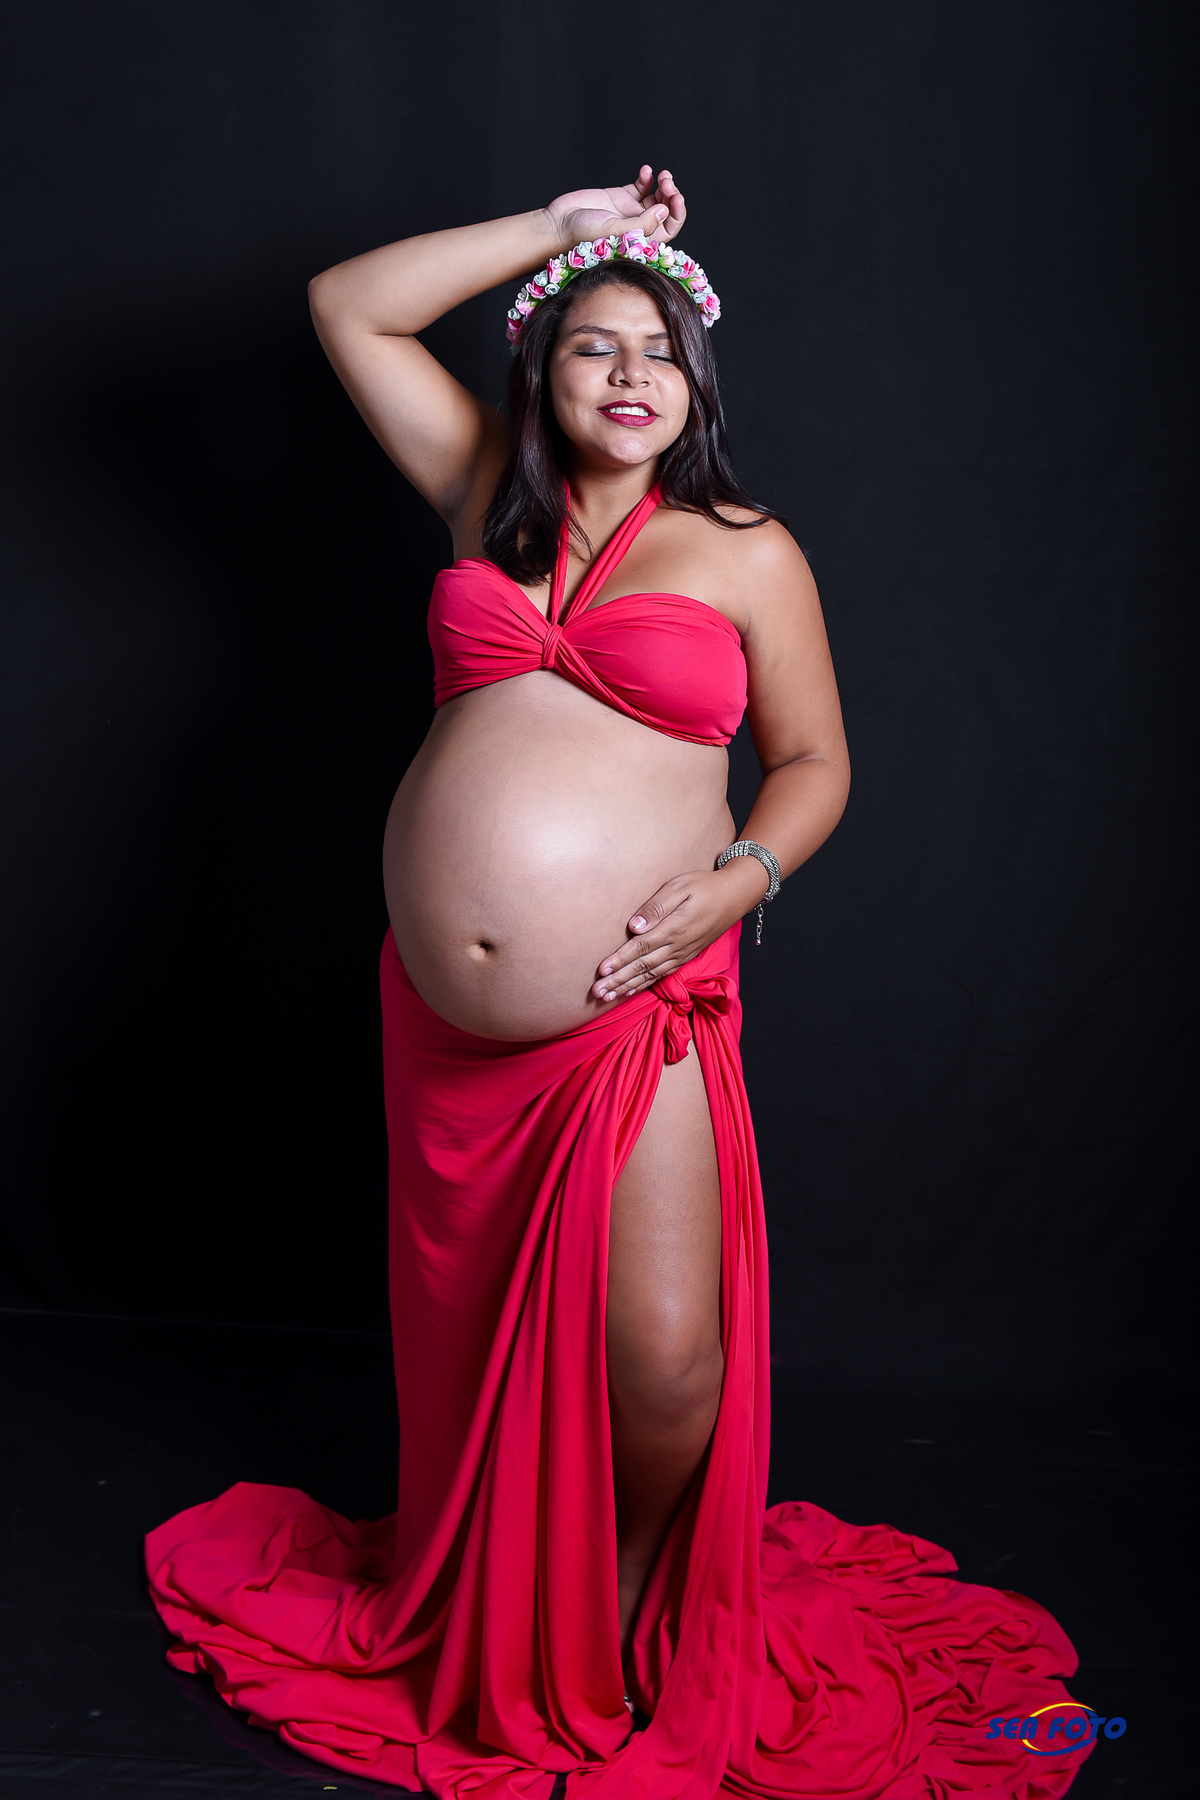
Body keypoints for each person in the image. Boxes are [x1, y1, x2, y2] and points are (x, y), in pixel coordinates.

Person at [146, 168, 1091, 1798]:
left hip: (639, 1005)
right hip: (450, 1041)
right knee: (475, 1363)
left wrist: (739, 879)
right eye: (594, 346)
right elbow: (345, 306)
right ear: (544, 374)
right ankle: (514, 1613)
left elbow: (815, 762)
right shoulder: (479, 495)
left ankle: (630, 1611)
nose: (630, 374)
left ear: (697, 386)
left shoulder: (745, 552)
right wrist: (565, 230)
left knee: (663, 1357)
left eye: (659, 351)